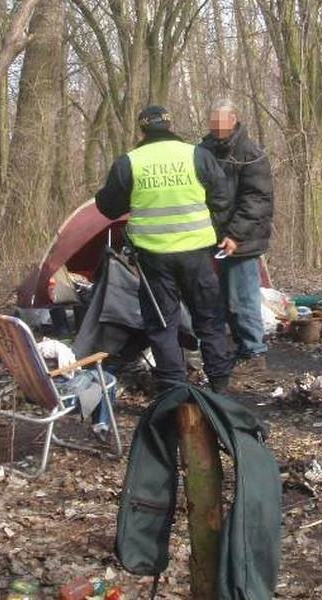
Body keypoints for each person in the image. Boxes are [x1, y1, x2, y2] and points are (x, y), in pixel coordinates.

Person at [94, 105, 235, 393]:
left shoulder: (130, 162)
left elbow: (109, 207)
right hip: (197, 253)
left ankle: (173, 388)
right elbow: (223, 198)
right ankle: (219, 383)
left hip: (153, 258)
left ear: (141, 130)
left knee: (162, 323)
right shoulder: (196, 155)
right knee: (208, 318)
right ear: (171, 126)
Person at [199, 99, 274, 376]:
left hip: (241, 240)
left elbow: (257, 199)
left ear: (233, 120)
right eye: (212, 120)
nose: (216, 126)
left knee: (242, 299)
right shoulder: (202, 151)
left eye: (221, 120)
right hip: (207, 238)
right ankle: (223, 352)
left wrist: (234, 235)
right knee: (213, 300)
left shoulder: (250, 153)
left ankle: (254, 353)